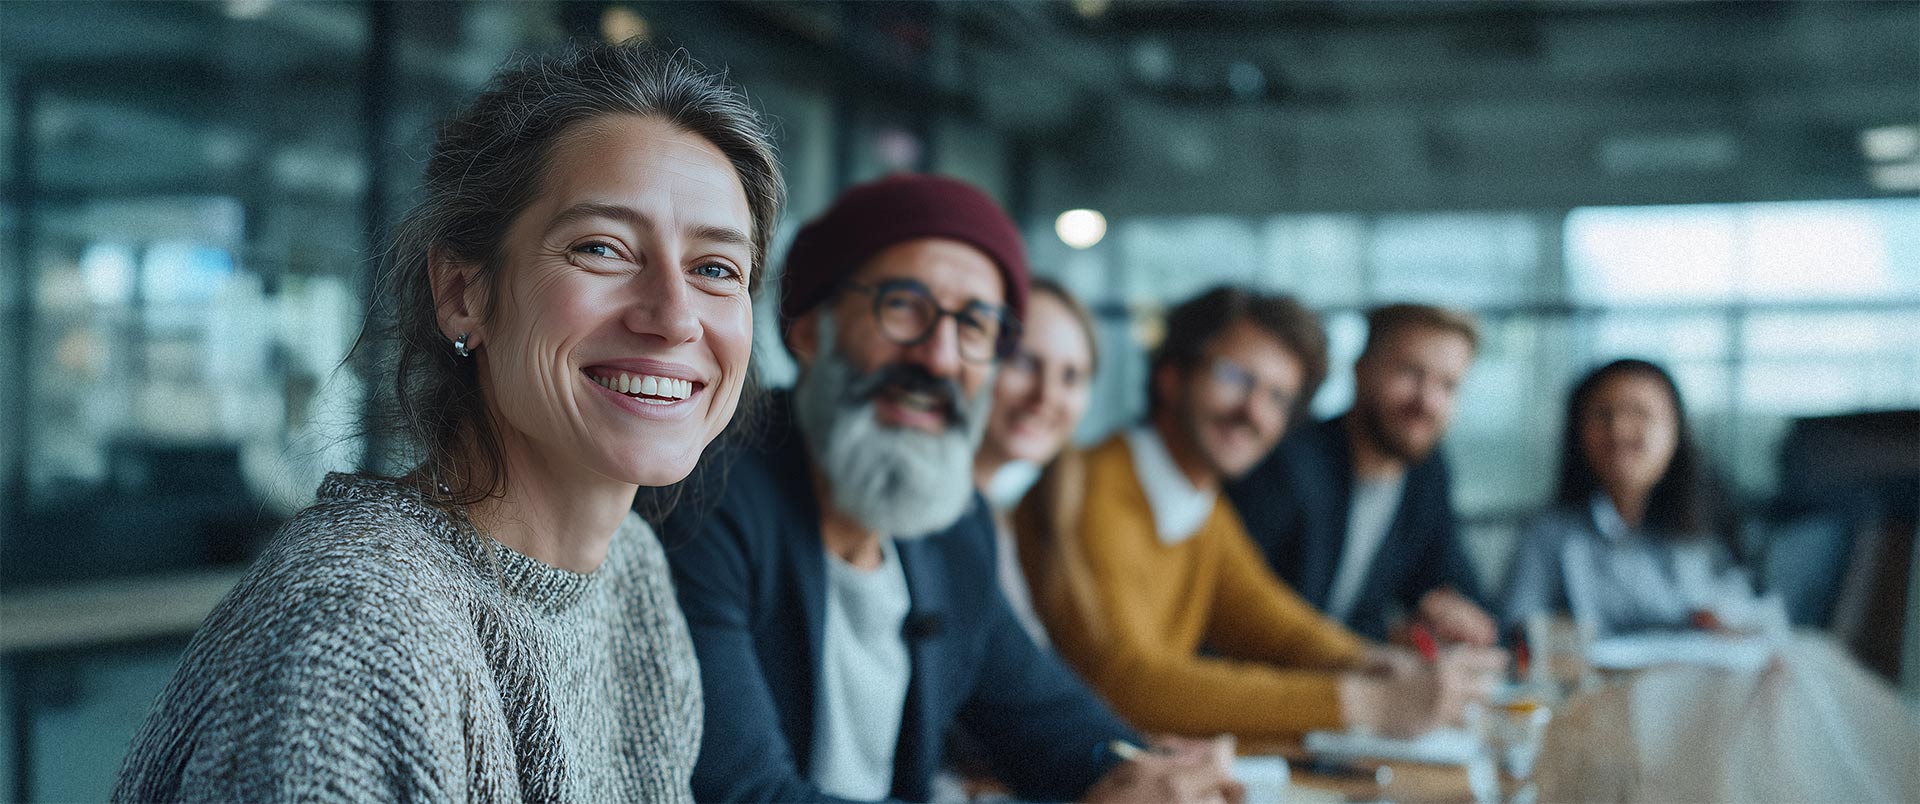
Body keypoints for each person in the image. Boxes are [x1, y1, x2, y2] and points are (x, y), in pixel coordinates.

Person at [114, 43, 783, 802]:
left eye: (716, 269)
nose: (674, 317)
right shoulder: (362, 627)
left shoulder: (630, 572)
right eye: (601, 248)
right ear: (464, 293)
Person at [658, 174, 1240, 803]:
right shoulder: (702, 495)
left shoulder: (952, 521)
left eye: (976, 326)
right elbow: (743, 796)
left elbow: (1049, 721)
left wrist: (1146, 772)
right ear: (808, 329)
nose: (940, 357)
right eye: (903, 307)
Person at [1016, 287, 1505, 742]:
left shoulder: (1201, 505)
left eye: (1277, 397)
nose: (1254, 411)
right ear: (1171, 375)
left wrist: (1374, 663)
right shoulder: (1095, 486)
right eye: (1235, 377)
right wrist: (1361, 702)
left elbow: (1273, 623)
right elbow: (1127, 684)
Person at [1227, 303, 1497, 646]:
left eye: (1448, 385)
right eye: (1410, 373)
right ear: (1361, 371)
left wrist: (1458, 615)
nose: (1427, 401)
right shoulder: (1290, 464)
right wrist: (1382, 641)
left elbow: (1456, 588)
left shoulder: (1426, 473)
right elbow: (1249, 619)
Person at [1502, 358, 1749, 636]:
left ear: (1675, 430)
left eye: (1639, 412)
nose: (1618, 429)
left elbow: (1743, 608)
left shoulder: (1708, 522)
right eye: (1602, 415)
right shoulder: (1547, 534)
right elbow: (1519, 625)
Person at [971, 277, 1100, 646]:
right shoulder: (944, 518)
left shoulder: (999, 516)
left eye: (1070, 376)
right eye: (1024, 361)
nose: (1046, 395)